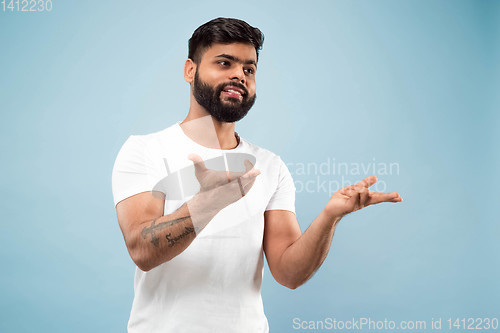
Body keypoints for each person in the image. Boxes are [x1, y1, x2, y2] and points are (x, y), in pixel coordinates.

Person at [112, 17, 402, 332]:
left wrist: (330, 216)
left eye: (249, 69)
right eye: (225, 63)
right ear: (190, 70)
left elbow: (289, 274)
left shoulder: (270, 165)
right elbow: (142, 251)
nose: (239, 75)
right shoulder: (145, 150)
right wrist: (208, 203)